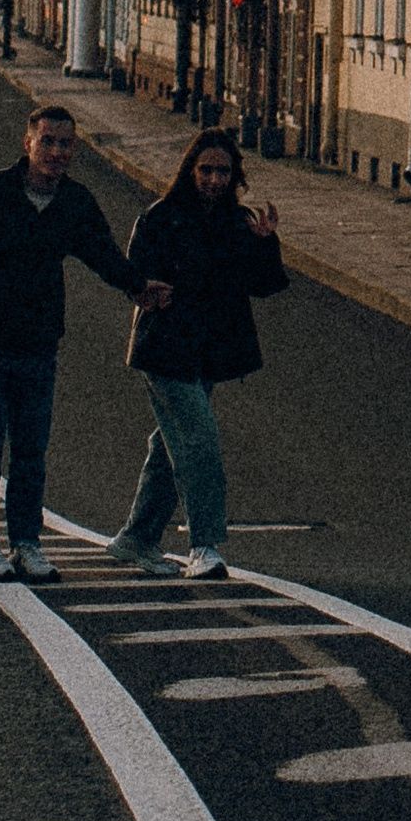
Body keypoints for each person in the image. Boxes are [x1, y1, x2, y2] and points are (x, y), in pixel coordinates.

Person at [0, 107, 170, 583]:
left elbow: (103, 254)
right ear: (28, 143)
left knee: (30, 451)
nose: (57, 152)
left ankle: (27, 543)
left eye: (65, 144)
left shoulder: (74, 203)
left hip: (37, 346)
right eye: (48, 141)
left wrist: (138, 288)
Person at [105, 127, 287, 581]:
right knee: (198, 441)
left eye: (223, 171)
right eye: (206, 170)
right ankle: (203, 545)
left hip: (209, 352)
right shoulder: (161, 217)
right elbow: (134, 273)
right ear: (189, 171)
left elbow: (265, 285)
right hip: (164, 348)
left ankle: (136, 538)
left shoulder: (238, 222)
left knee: (170, 445)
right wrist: (145, 289)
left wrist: (265, 244)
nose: (214, 180)